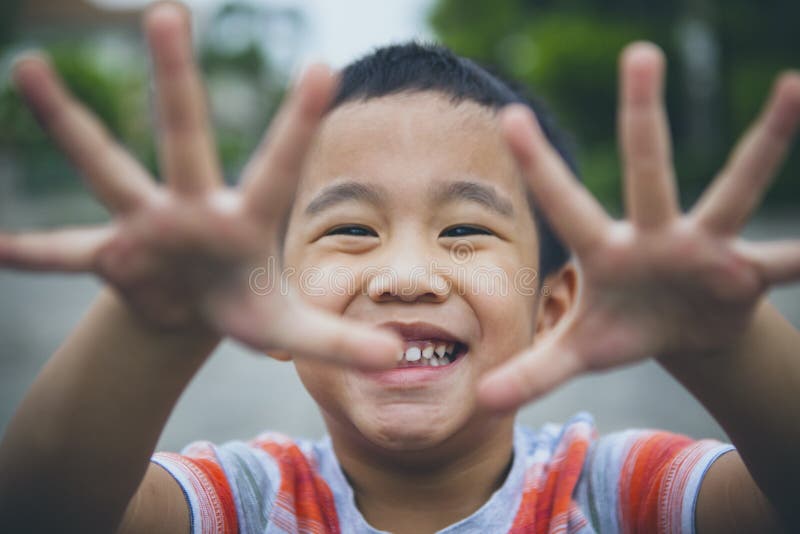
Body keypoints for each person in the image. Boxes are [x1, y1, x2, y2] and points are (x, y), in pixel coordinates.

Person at [1, 2, 798, 533]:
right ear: (268, 299)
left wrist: (722, 344)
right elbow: (44, 510)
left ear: (554, 309)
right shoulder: (242, 500)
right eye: (350, 228)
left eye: (463, 229)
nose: (407, 273)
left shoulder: (619, 492)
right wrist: (155, 325)